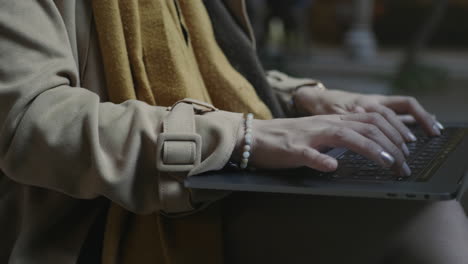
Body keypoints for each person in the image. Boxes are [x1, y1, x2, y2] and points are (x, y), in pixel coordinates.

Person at [0, 0, 466, 264]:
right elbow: (31, 119)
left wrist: (300, 98)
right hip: (102, 222)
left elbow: (213, 70)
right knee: (421, 220)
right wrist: (242, 138)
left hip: (216, 173)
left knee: (435, 184)